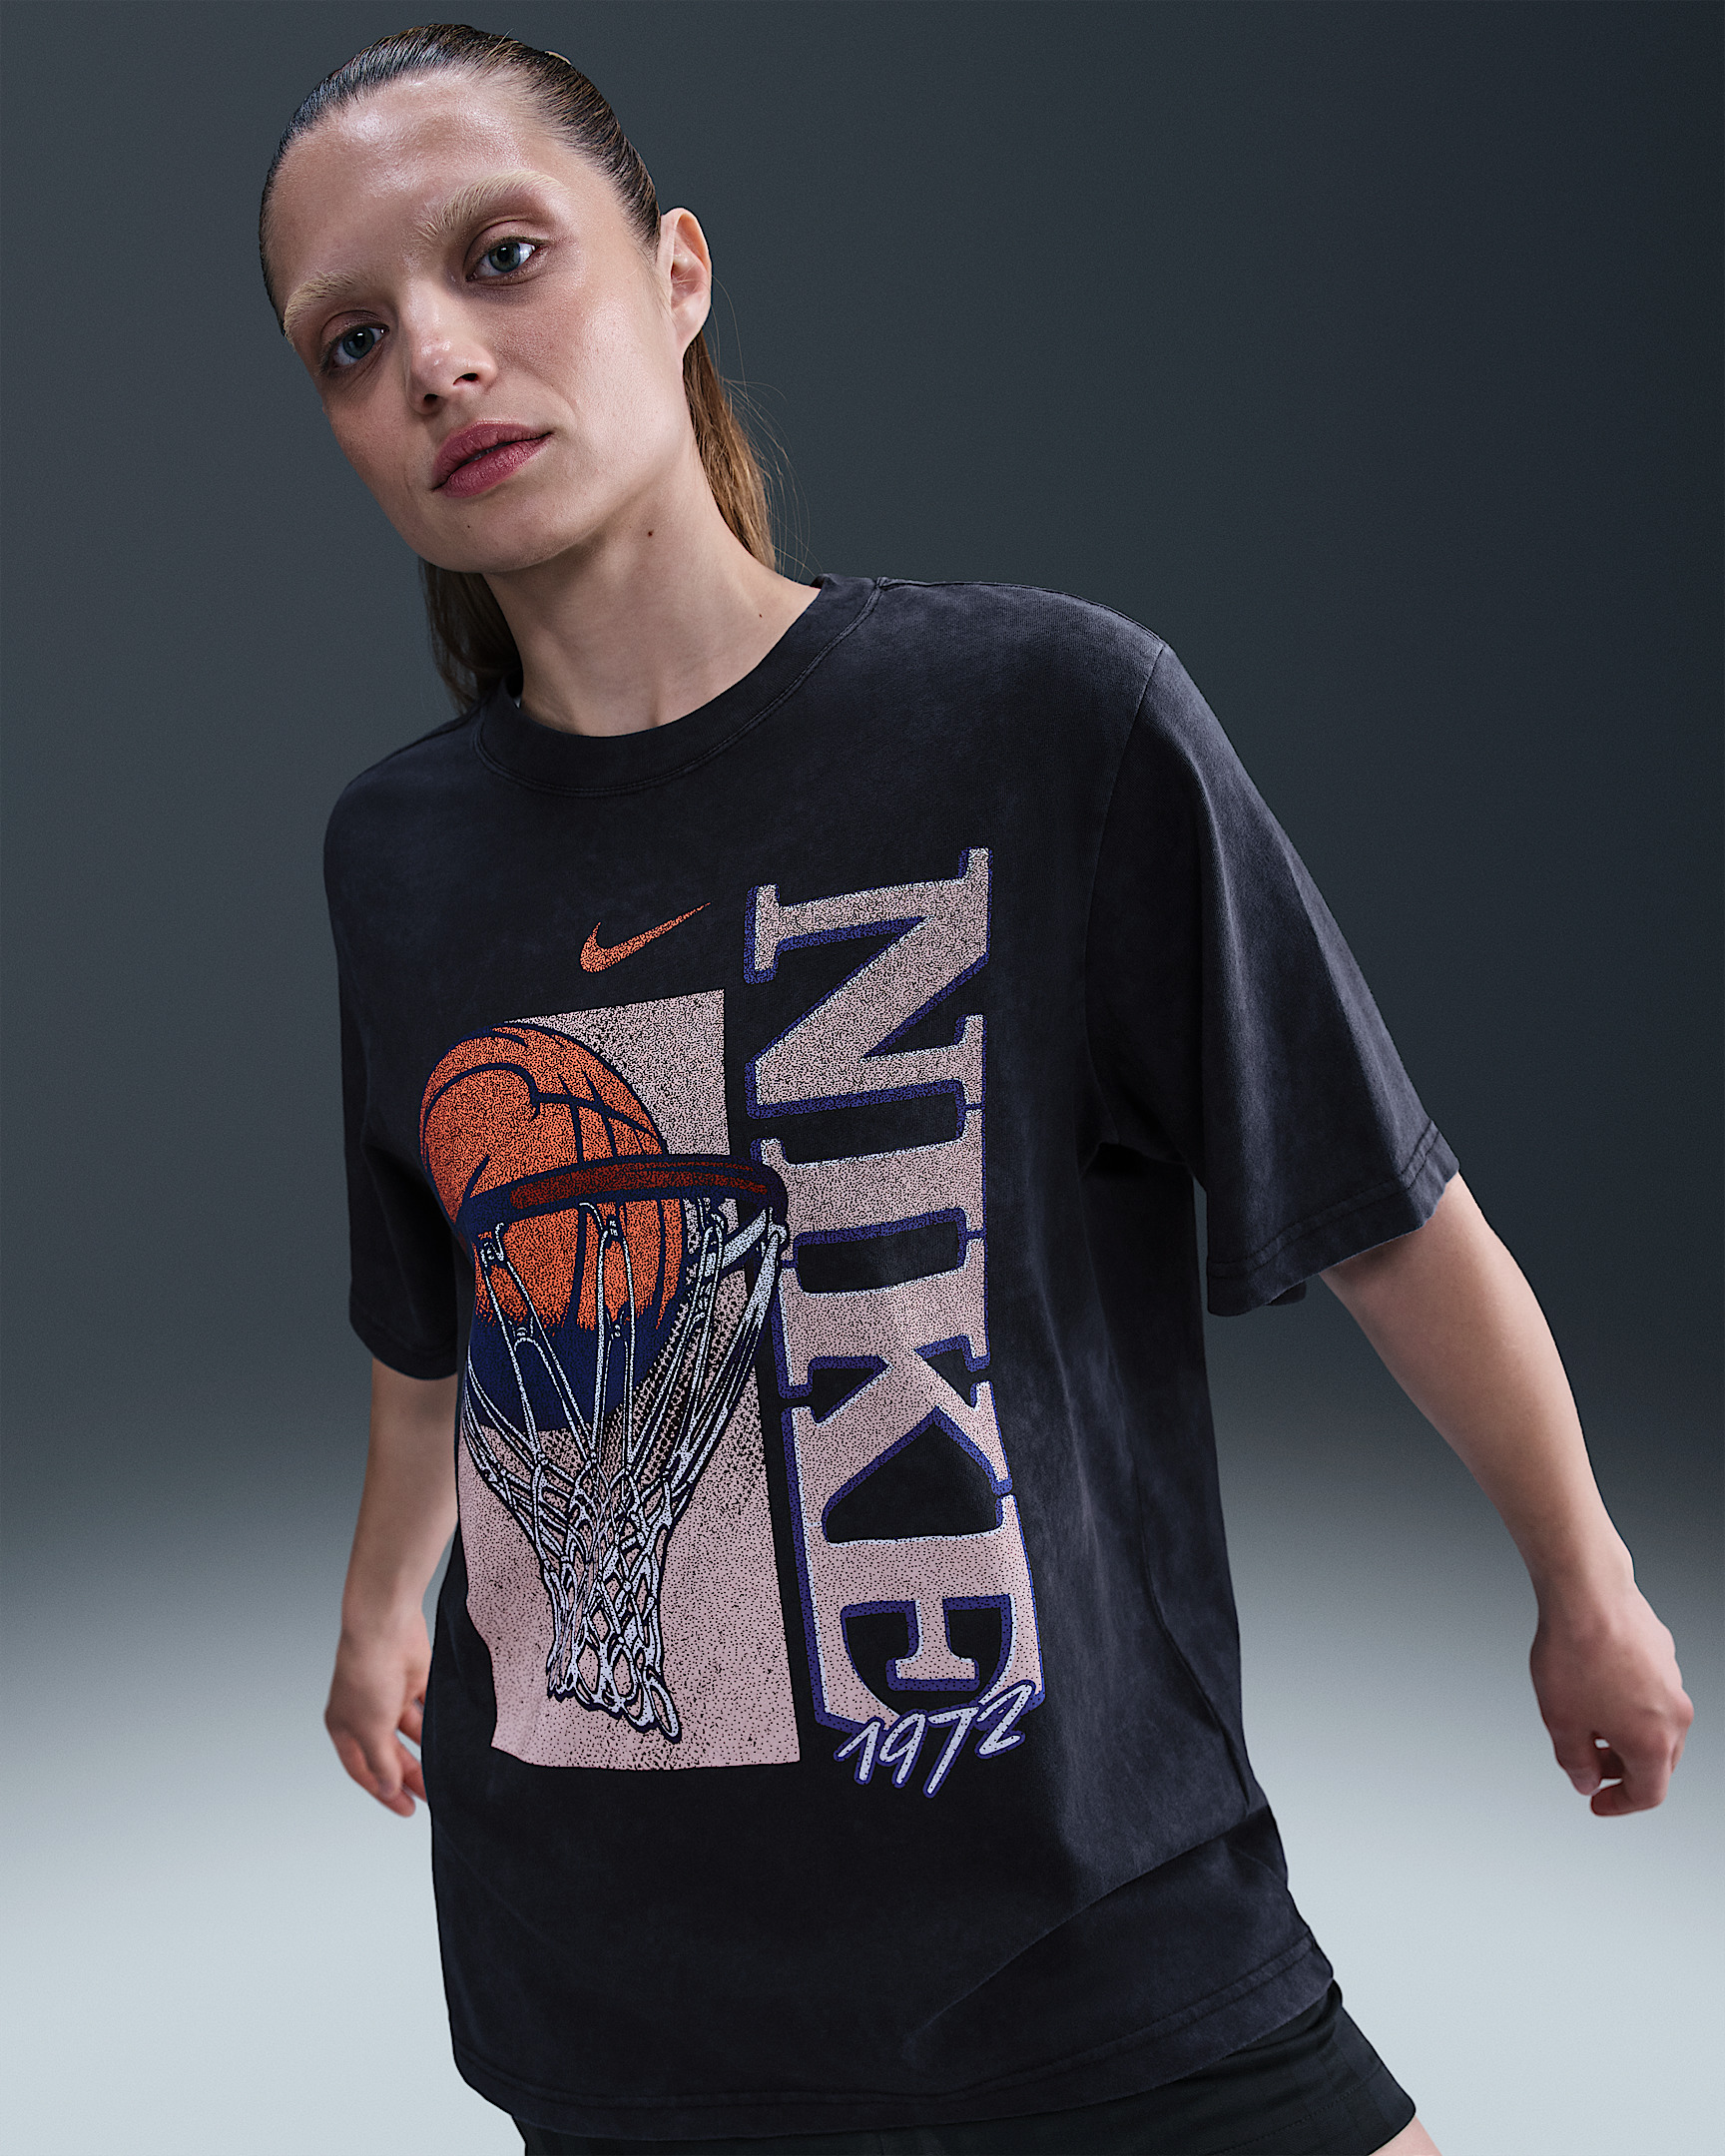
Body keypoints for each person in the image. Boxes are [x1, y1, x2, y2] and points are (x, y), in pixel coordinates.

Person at [259, 25, 1692, 2156]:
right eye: (355, 341)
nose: (441, 362)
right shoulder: (398, 855)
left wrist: (1582, 1577)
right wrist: (384, 1603)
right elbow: (444, 1321)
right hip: (623, 1996)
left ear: (676, 272)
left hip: (1088, 1936)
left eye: (504, 256)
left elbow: (1380, 1206)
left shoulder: (1045, 719)